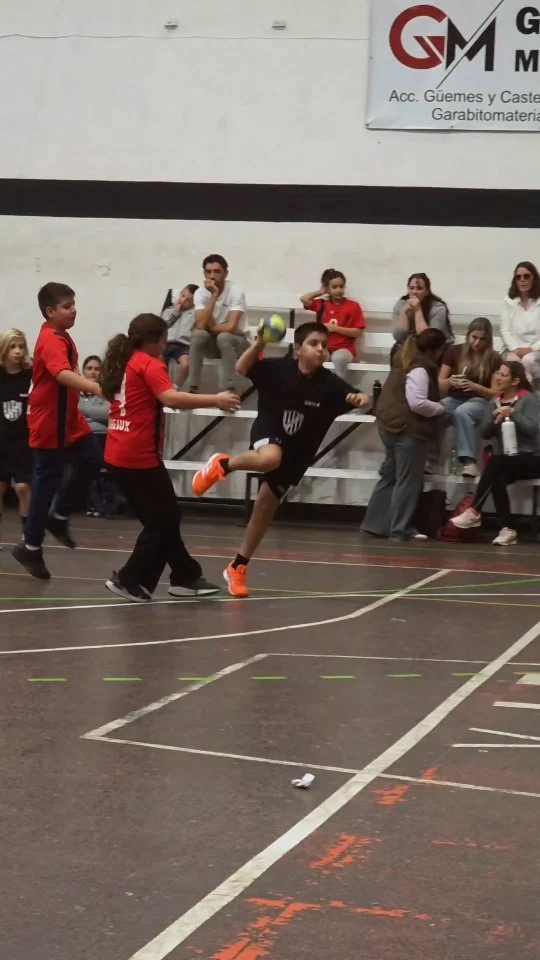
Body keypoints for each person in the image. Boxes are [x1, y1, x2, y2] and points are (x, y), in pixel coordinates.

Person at [191, 321, 370, 597]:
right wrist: (260, 344)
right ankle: (223, 464)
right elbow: (241, 368)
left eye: (324, 345)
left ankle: (237, 567)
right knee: (270, 458)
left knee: (265, 509)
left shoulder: (330, 384)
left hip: (299, 453)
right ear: (298, 348)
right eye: (314, 343)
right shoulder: (277, 369)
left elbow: (358, 396)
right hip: (270, 433)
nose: (321, 349)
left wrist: (361, 399)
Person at [101, 313, 240, 602]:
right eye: (164, 340)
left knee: (162, 519)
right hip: (138, 456)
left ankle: (184, 575)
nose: (166, 346)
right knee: (163, 521)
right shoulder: (150, 363)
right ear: (153, 340)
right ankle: (128, 578)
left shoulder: (125, 361)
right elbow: (171, 398)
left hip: (117, 452)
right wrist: (217, 399)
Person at [12, 283, 103, 581]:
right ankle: (31, 545)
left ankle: (59, 516)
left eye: (74, 303)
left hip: (69, 420)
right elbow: (62, 375)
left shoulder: (63, 336)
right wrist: (95, 387)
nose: (74, 309)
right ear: (50, 312)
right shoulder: (50, 339)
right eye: (67, 306)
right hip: (50, 421)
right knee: (45, 484)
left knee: (91, 459)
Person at [361, 328, 446, 541]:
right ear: (437, 350)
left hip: (389, 426)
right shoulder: (420, 368)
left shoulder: (403, 360)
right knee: (407, 482)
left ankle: (374, 525)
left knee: (389, 477)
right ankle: (400, 529)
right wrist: (440, 408)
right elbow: (417, 403)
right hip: (408, 430)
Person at [451, 361, 540, 546]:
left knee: (496, 462)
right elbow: (484, 433)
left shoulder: (528, 399)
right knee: (496, 477)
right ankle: (508, 529)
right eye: (498, 373)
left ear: (515, 381)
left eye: (503, 375)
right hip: (508, 459)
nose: (498, 378)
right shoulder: (494, 401)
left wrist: (514, 413)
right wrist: (493, 419)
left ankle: (474, 511)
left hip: (532, 457)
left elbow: (533, 429)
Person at [438, 318, 501, 477]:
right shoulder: (454, 351)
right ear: (468, 335)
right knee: (436, 409)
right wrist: (450, 382)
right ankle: (430, 460)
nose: (477, 343)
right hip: (455, 398)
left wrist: (476, 387)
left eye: (482, 339)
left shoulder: (493, 358)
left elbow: (495, 393)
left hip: (481, 401)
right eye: (474, 337)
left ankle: (469, 462)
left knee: (462, 412)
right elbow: (440, 383)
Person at [187, 255, 248, 393]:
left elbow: (231, 327)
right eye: (208, 272)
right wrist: (214, 295)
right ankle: (193, 387)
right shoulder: (200, 293)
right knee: (198, 335)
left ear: (226, 273)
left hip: (238, 342)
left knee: (224, 337)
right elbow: (201, 326)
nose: (212, 276)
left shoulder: (236, 291)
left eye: (217, 271)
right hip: (214, 344)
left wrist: (212, 327)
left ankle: (229, 389)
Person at [300, 269, 366, 379]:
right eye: (334, 287)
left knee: (339, 358)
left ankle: (339, 390)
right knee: (314, 356)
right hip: (324, 347)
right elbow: (304, 299)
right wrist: (320, 292)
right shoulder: (323, 304)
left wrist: (335, 328)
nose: (339, 290)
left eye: (341, 286)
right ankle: (317, 390)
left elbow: (358, 332)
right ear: (327, 289)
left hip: (344, 348)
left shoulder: (353, 306)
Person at [0, 328, 33, 542]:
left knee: (23, 487)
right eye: (13, 347)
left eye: (21, 346)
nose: (18, 351)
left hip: (23, 441)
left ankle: (27, 536)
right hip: (1, 441)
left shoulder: (29, 375)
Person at [79, 355, 120, 518]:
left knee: (96, 453)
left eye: (97, 369)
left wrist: (83, 410)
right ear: (83, 371)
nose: (93, 372)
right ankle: (94, 504)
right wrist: (91, 414)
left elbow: (109, 413)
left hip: (103, 435)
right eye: (89, 368)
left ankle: (101, 505)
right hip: (82, 435)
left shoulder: (106, 392)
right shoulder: (76, 392)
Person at [500, 261, 540, 386]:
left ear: (534, 278)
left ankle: (527, 395)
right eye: (518, 277)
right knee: (513, 362)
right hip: (514, 349)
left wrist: (531, 349)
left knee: (529, 360)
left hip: (536, 349)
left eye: (526, 276)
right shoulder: (509, 301)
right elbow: (504, 330)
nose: (522, 280)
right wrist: (516, 349)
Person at [392, 273, 453, 348]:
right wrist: (404, 312)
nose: (414, 292)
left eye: (419, 288)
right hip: (410, 347)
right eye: (411, 288)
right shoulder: (401, 305)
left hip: (436, 349)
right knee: (396, 350)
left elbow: (429, 340)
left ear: (427, 291)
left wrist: (418, 310)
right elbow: (399, 337)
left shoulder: (438, 308)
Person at [161, 283, 198, 387]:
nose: (183, 301)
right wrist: (175, 313)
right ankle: (161, 386)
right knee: (159, 363)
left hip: (183, 345)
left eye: (188, 300)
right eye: (182, 296)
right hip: (166, 343)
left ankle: (176, 387)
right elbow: (162, 326)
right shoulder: (169, 310)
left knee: (186, 365)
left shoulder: (195, 313)